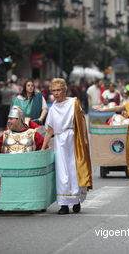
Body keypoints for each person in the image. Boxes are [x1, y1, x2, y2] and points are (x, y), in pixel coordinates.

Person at [42, 78, 92, 215]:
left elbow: (81, 121)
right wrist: (42, 146)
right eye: (54, 91)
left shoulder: (73, 103)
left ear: (64, 90)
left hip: (73, 138)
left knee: (73, 169)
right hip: (59, 141)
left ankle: (76, 201)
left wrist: (84, 139)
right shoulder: (52, 108)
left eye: (58, 90)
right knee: (61, 172)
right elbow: (50, 130)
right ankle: (64, 204)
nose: (56, 93)